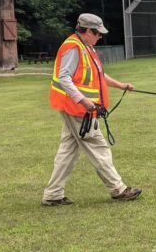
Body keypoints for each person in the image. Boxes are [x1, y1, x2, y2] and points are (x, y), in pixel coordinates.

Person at [42, 13, 141, 205]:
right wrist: (82, 100)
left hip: (79, 108)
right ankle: (118, 189)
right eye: (97, 33)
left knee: (68, 151)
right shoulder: (73, 48)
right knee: (98, 147)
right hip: (78, 109)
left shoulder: (86, 47)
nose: (100, 37)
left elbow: (99, 75)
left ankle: (53, 195)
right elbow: (64, 78)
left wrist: (121, 85)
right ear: (88, 31)